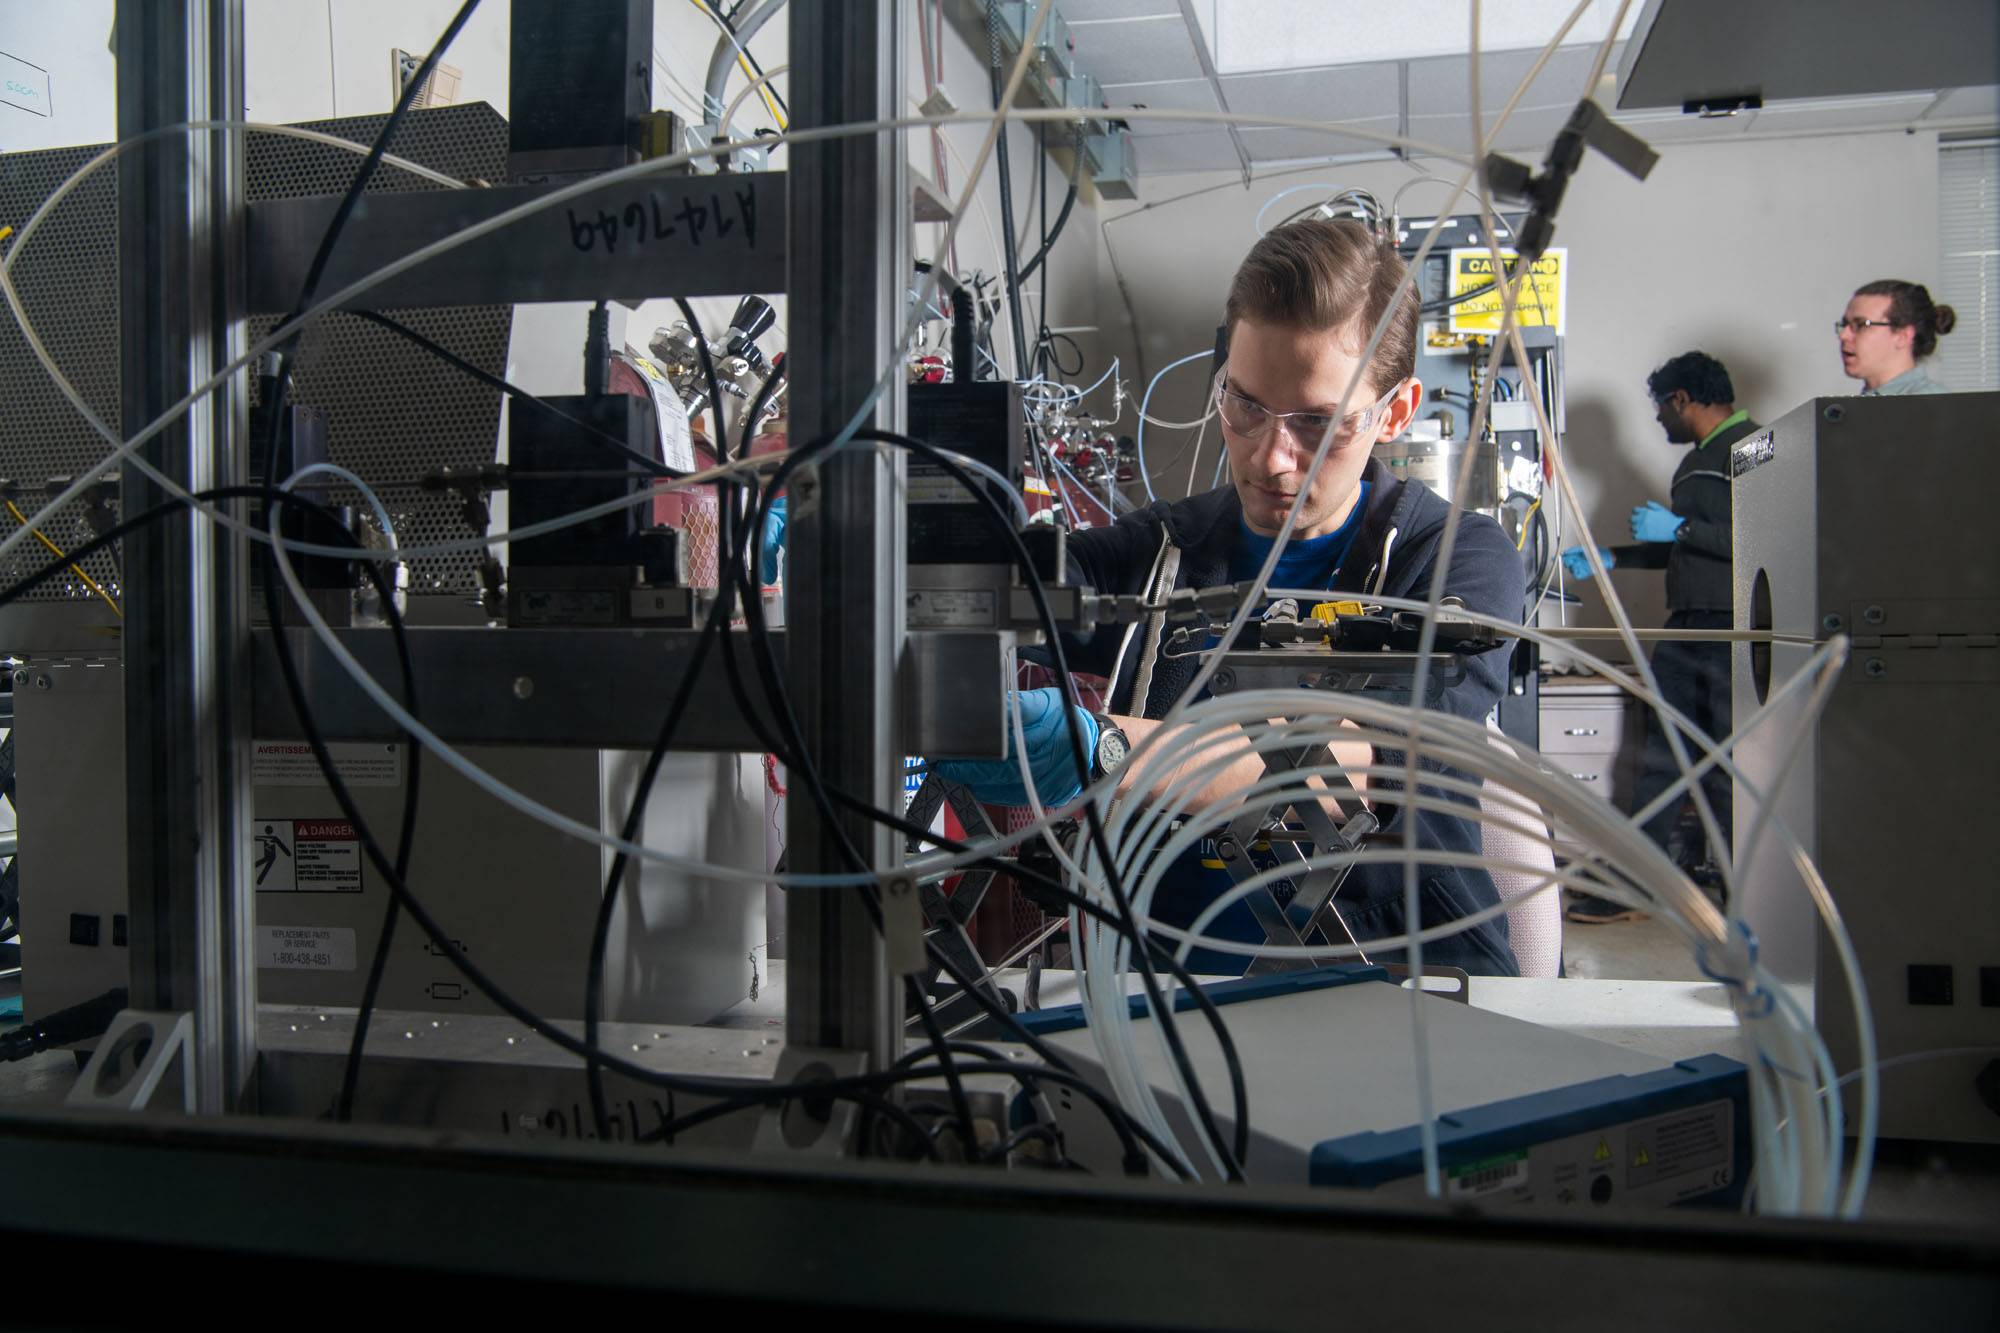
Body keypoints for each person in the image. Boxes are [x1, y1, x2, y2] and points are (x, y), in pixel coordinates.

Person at [934, 219, 1525, 977]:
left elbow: (1360, 756)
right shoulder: (1167, 550)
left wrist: (1109, 750)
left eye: (1316, 423)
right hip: (1164, 988)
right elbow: (1010, 590)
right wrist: (888, 539)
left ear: (1395, 413)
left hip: (1396, 980)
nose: (1271, 456)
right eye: (1243, 405)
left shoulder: (1452, 562)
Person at [1560, 352, 1757, 923]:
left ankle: (1748, 898)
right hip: (1688, 625)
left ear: (1680, 400)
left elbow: (1762, 540)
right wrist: (1610, 557)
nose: (1658, 424)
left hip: (1732, 629)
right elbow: (1685, 548)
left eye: (1659, 409)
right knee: (1659, 761)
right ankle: (1638, 887)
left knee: (1725, 766)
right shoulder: (1694, 462)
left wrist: (1684, 528)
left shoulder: (1753, 450)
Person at [1837, 279, 1957, 395]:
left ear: (1903, 336)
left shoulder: (1930, 404)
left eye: (1861, 325)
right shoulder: (1862, 404)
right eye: (1844, 324)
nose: (1843, 335)